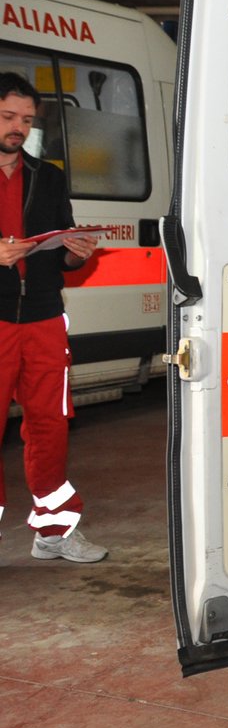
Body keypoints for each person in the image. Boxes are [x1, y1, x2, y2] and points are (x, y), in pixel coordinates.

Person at [0, 72, 105, 564]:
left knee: (50, 427)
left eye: (25, 119)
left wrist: (77, 254)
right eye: (7, 117)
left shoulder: (50, 176)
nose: (17, 128)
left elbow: (61, 250)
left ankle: (54, 532)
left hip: (44, 318)